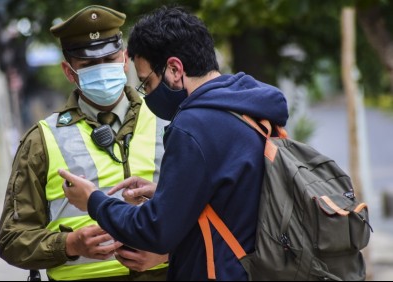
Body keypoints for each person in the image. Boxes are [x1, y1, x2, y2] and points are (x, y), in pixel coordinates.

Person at [58, 5, 289, 281]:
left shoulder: (194, 125)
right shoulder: (245, 108)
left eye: (147, 83)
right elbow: (233, 195)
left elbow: (156, 231)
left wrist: (93, 200)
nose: (148, 95)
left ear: (175, 69)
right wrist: (166, 193)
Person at [0, 5, 170, 281]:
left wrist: (168, 252)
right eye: (89, 65)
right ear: (69, 71)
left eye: (110, 59)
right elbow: (11, 239)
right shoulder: (41, 140)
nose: (102, 70)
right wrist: (69, 245)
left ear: (124, 60)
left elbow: (210, 211)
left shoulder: (169, 120)